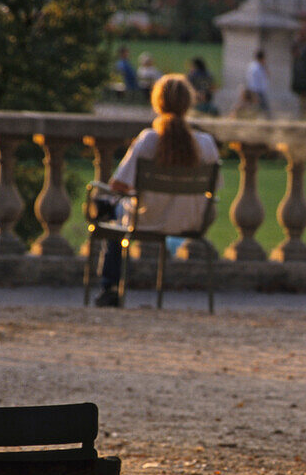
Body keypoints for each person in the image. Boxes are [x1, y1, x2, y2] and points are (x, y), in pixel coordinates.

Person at [93, 74, 221, 307]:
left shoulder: (149, 140)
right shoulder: (206, 144)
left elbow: (117, 186)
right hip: (190, 221)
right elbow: (215, 188)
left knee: (108, 207)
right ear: (189, 103)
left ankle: (111, 286)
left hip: (145, 219)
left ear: (157, 103)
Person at [244, 50, 271, 117]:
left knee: (262, 108)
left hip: (260, 90)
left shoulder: (261, 66)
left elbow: (267, 75)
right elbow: (252, 81)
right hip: (256, 91)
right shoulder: (254, 67)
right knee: (264, 109)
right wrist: (254, 94)